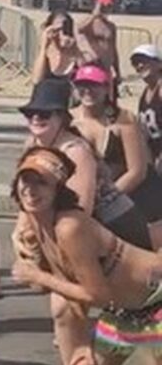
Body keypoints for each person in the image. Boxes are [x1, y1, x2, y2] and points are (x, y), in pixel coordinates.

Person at [12, 146, 162, 365]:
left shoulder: (70, 227)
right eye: (26, 181)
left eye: (41, 183)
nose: (31, 190)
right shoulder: (38, 223)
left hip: (156, 297)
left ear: (58, 190)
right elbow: (64, 286)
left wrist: (37, 275)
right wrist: (81, 343)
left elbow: (97, 295)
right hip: (128, 311)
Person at [71, 62, 162, 246]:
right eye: (82, 84)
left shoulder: (124, 120)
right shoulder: (67, 120)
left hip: (132, 198)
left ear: (107, 88)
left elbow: (137, 172)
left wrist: (105, 199)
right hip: (85, 200)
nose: (88, 90)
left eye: (94, 84)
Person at [77, 0, 120, 80]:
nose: (106, 8)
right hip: (90, 67)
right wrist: (94, 14)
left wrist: (117, 71)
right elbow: (79, 29)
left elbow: (113, 49)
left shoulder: (111, 26)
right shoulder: (88, 22)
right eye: (103, 5)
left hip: (106, 69)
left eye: (109, 6)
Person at [133, 44, 162, 172]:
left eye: (144, 61)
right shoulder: (145, 93)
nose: (139, 65)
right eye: (135, 63)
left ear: (158, 63)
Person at [31, 11, 80, 84]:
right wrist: (44, 45)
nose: (61, 34)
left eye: (65, 30)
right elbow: (36, 80)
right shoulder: (46, 53)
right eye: (56, 31)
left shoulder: (76, 52)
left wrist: (76, 41)